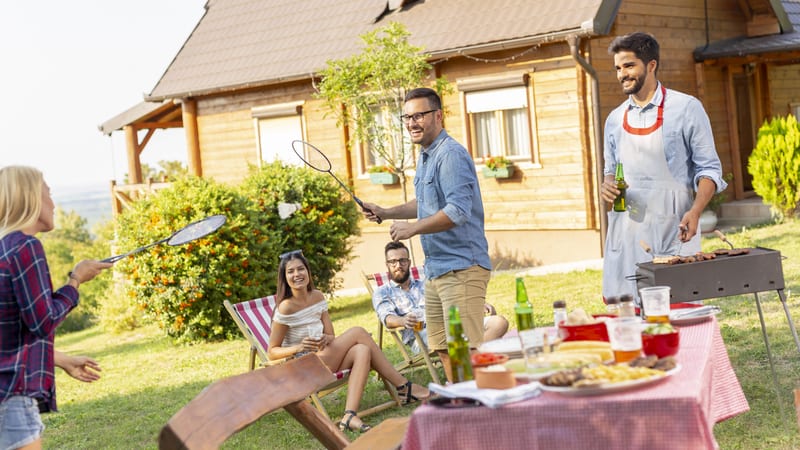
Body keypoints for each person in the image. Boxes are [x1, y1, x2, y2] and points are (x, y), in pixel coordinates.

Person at [362, 87, 493, 383]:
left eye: (418, 116)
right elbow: (425, 204)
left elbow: (457, 211)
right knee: (442, 347)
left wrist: (413, 228)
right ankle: (462, 405)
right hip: (436, 269)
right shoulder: (425, 156)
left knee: (464, 349)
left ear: (438, 116)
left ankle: (480, 413)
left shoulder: (451, 155)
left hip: (462, 266)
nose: (412, 123)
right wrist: (386, 211)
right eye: (406, 117)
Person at [601, 32, 727, 303]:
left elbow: (710, 170)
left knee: (680, 307)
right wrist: (608, 185)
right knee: (631, 313)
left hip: (675, 229)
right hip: (629, 232)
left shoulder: (686, 109)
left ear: (651, 65)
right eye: (618, 68)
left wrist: (695, 211)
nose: (622, 74)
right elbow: (610, 171)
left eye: (629, 65)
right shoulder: (614, 120)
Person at [0, 165, 113, 450]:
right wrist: (75, 281)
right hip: (12, 395)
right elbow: (43, 322)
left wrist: (61, 359)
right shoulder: (27, 247)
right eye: (48, 193)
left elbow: (13, 336)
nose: (53, 202)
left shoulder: (5, 248)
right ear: (31, 199)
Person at [267, 250, 429, 434]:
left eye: (300, 269)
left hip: (324, 359)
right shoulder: (286, 307)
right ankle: (403, 386)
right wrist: (299, 346)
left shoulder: (317, 297)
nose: (297, 275)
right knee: (358, 332)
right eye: (291, 271)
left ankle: (350, 415)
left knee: (362, 350)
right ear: (284, 277)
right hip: (303, 370)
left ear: (308, 271)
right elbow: (271, 351)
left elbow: (331, 336)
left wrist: (325, 339)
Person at [372, 241, 508, 354]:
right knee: (454, 337)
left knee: (498, 323)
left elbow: (452, 297)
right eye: (393, 262)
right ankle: (474, 359)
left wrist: (474, 304)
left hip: (449, 323)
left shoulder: (427, 283)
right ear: (387, 265)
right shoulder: (382, 292)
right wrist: (403, 320)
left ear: (409, 262)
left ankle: (471, 359)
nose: (398, 266)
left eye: (402, 261)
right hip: (421, 334)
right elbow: (387, 318)